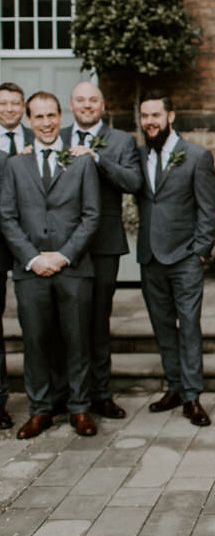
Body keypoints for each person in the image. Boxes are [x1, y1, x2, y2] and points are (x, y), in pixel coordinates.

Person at [0, 91, 100, 439]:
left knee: (77, 340)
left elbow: (91, 215)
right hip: (30, 271)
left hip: (72, 267)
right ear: (29, 121)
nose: (45, 123)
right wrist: (33, 258)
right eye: (38, 117)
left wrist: (62, 255)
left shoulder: (82, 161)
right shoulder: (15, 164)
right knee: (36, 342)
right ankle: (40, 410)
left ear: (61, 118)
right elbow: (7, 217)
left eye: (51, 116)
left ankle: (79, 408)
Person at [50, 82, 143, 419]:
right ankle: (65, 391)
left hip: (103, 243)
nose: (87, 105)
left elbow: (134, 183)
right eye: (80, 100)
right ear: (71, 104)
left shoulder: (120, 142)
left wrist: (98, 159)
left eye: (93, 100)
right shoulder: (55, 136)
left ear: (103, 105)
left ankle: (101, 392)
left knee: (98, 320)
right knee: (64, 321)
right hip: (63, 245)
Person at [136, 90, 215, 427]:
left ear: (170, 117)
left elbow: (207, 208)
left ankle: (192, 396)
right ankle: (173, 386)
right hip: (150, 257)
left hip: (185, 258)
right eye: (145, 117)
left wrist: (200, 252)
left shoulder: (197, 156)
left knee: (188, 327)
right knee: (162, 327)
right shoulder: (139, 156)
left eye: (156, 115)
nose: (150, 122)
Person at [0, 82, 33, 429]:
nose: (9, 109)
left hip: (30, 243)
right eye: (3, 103)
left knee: (35, 321)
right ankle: (0, 400)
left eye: (14, 103)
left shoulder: (37, 140)